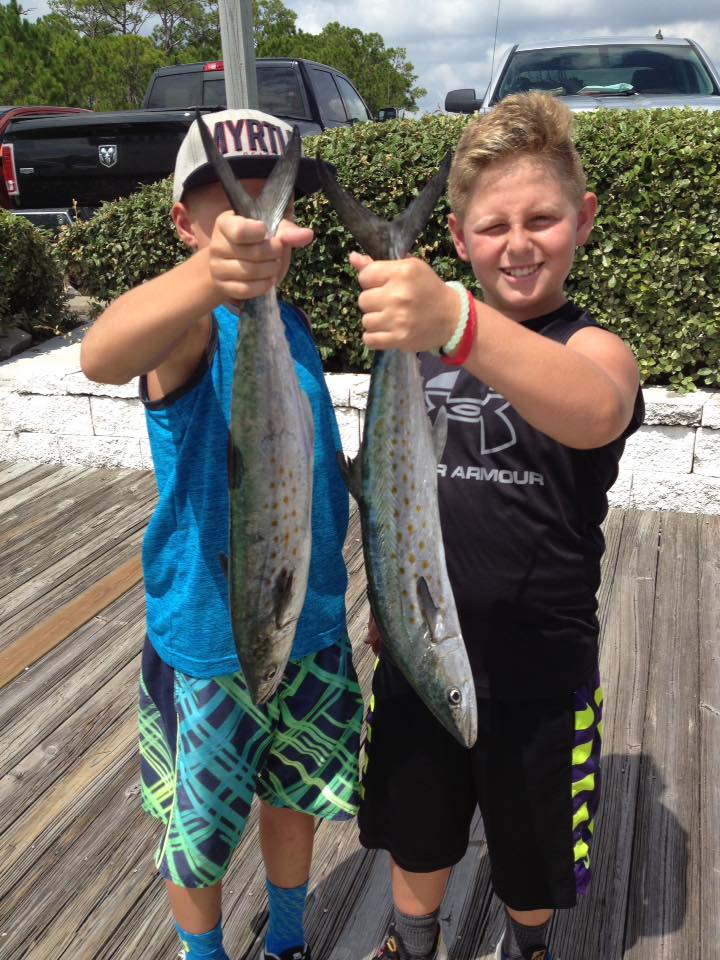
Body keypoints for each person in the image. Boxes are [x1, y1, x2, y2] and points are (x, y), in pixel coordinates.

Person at [348, 92, 644, 960]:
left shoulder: (594, 349)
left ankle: (528, 943)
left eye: (541, 219)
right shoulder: (419, 352)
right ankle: (412, 938)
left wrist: (457, 322)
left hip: (539, 672)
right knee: (417, 827)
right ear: (458, 237)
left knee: (530, 852)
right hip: (419, 649)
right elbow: (393, 497)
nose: (517, 244)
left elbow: (594, 407)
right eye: (494, 225)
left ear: (582, 220)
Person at [80, 109, 363, 960]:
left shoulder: (291, 322)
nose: (254, 225)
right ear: (184, 223)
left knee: (295, 794)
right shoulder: (193, 330)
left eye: (270, 206)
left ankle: (285, 937)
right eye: (226, 205)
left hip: (307, 628)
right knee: (197, 829)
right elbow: (102, 352)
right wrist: (210, 275)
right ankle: (203, 954)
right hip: (211, 645)